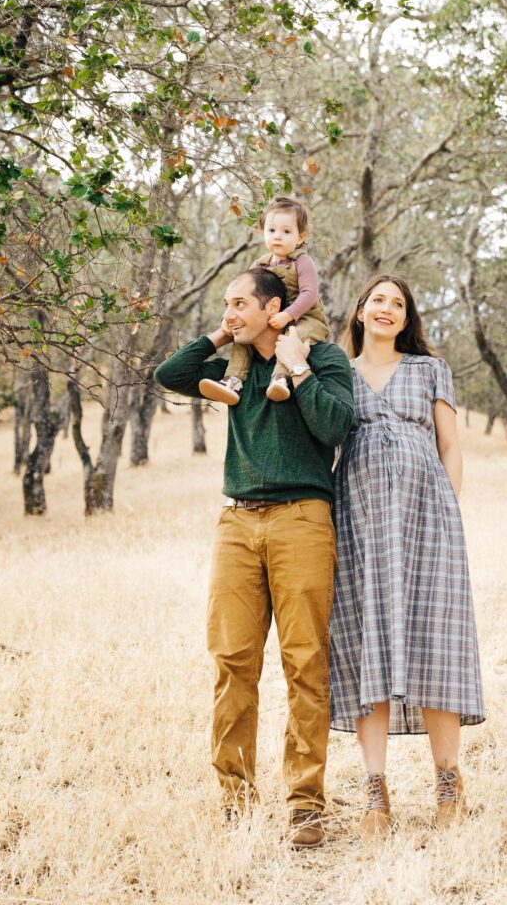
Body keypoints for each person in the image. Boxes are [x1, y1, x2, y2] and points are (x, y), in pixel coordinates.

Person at [153, 268, 354, 849]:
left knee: (304, 663)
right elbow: (171, 374)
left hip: (302, 520)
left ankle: (305, 804)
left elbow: (337, 425)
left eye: (240, 303)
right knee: (232, 661)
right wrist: (221, 335)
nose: (230, 311)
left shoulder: (325, 357)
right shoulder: (230, 368)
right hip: (236, 522)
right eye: (225, 303)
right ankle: (235, 799)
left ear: (275, 307)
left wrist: (298, 364)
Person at [329, 274, 486, 840]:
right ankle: (375, 793)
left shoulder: (429, 370)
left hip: (429, 520)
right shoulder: (338, 374)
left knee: (435, 643)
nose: (388, 310)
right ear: (360, 312)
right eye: (379, 301)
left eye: (398, 303)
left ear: (407, 316)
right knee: (368, 641)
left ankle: (448, 782)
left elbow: (450, 446)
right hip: (360, 522)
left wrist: (450, 509)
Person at [198, 196, 330, 405]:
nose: (277, 236)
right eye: (271, 231)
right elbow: (249, 297)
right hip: (272, 317)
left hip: (305, 317)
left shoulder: (302, 262)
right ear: (263, 233)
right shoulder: (259, 264)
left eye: (286, 231)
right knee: (244, 338)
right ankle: (233, 380)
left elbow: (309, 294)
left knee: (293, 337)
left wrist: (288, 315)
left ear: (300, 236)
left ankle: (280, 379)